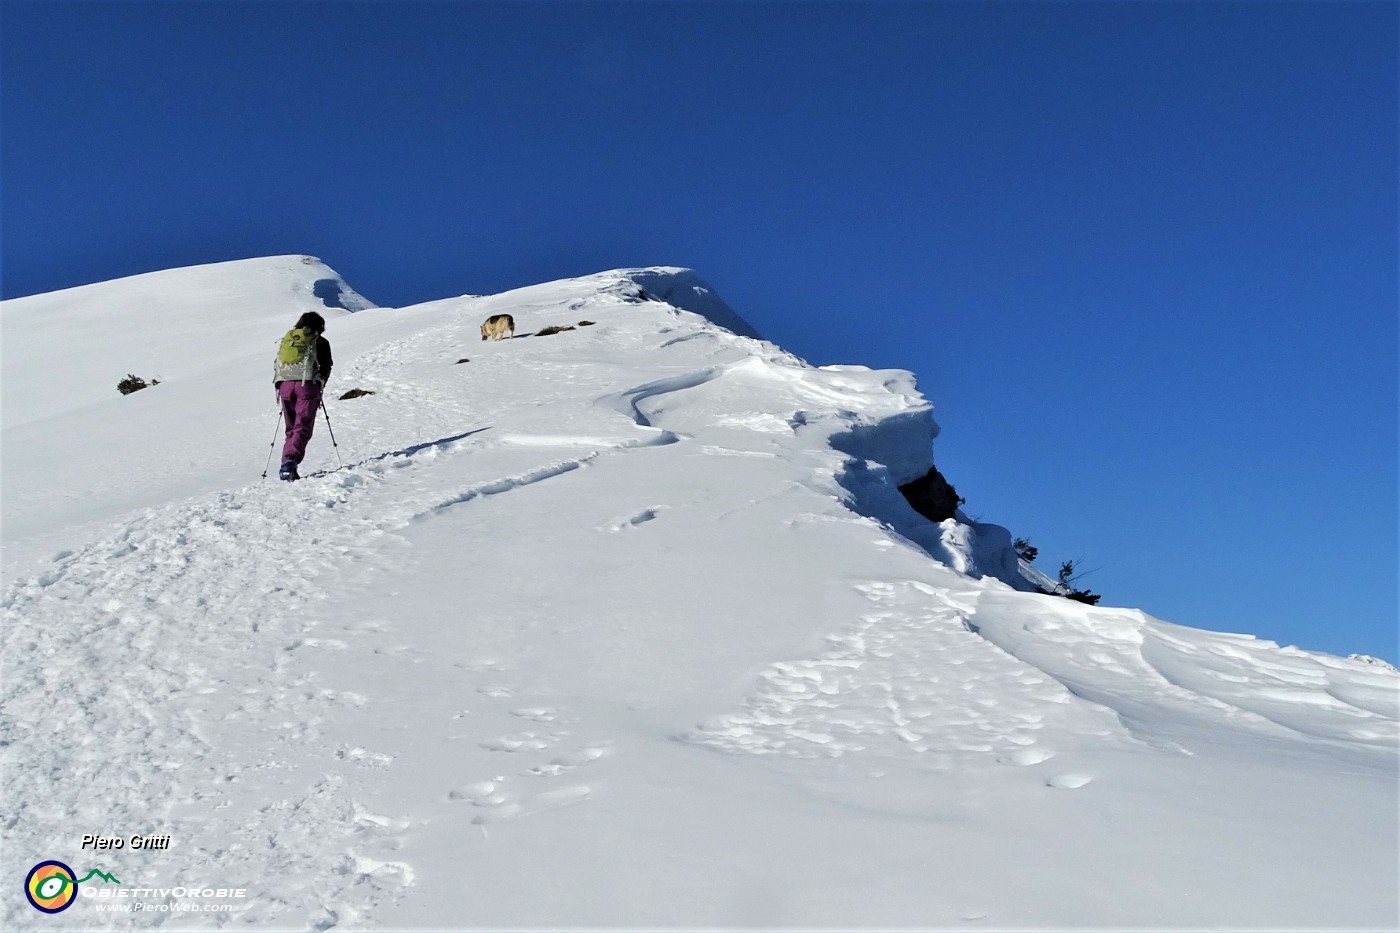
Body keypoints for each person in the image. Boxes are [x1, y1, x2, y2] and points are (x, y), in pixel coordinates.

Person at [273, 311, 333, 481]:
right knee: (303, 425)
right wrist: (320, 384)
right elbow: (326, 365)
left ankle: (287, 464)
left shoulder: (289, 340)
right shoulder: (319, 342)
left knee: (291, 428)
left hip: (284, 386)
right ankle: (290, 461)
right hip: (306, 386)